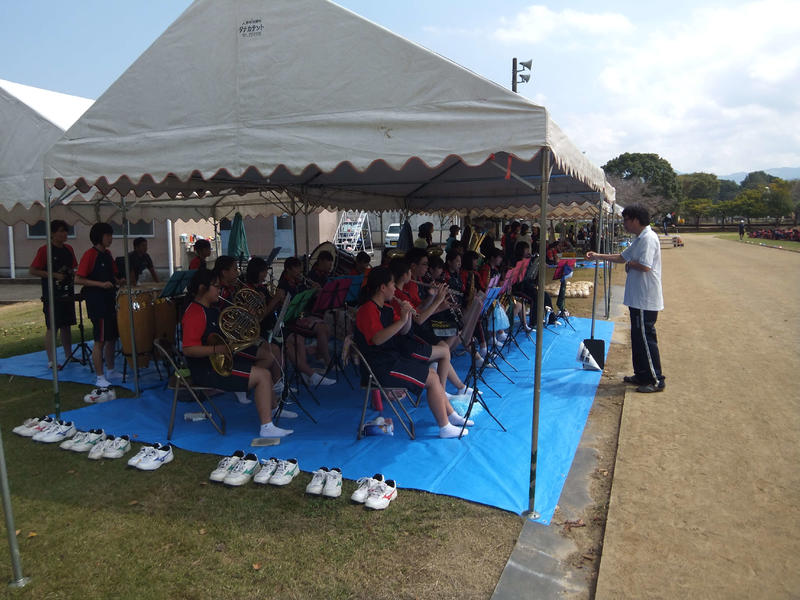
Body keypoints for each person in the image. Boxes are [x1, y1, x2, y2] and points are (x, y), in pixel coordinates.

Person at [354, 267, 473, 439]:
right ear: (382, 287)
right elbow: (377, 339)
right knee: (432, 379)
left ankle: (451, 415)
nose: (394, 288)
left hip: (392, 360)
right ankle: (444, 427)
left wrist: (407, 317)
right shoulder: (367, 310)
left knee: (432, 374)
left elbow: (404, 331)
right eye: (392, 284)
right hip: (380, 368)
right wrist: (402, 320)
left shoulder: (386, 308)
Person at [181, 269, 293, 437]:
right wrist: (217, 349)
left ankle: (270, 406)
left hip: (220, 359)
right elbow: (188, 349)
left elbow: (226, 334)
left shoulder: (210, 308)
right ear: (203, 288)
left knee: (267, 359)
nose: (219, 290)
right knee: (263, 375)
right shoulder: (195, 313)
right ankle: (266, 427)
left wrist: (247, 319)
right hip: (208, 369)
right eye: (216, 286)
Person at [587, 204, 665, 393]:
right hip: (637, 298)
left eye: (626, 220)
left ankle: (656, 380)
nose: (624, 224)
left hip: (645, 298)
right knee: (638, 338)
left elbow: (645, 265)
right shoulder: (640, 238)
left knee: (646, 339)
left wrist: (630, 263)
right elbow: (622, 257)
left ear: (636, 220)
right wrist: (598, 256)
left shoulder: (648, 238)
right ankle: (642, 374)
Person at [75, 222, 122, 398]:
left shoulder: (108, 254)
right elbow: (78, 279)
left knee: (112, 337)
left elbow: (113, 276)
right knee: (100, 340)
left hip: (110, 300)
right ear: (99, 237)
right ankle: (100, 377)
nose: (110, 238)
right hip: (97, 302)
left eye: (111, 235)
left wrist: (119, 281)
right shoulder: (90, 255)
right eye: (107, 235)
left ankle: (111, 369)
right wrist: (100, 284)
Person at [28, 219, 78, 369]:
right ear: (52, 233)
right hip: (52, 294)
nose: (64, 234)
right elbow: (33, 270)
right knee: (53, 326)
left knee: (67, 325)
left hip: (67, 292)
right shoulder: (45, 250)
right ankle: (51, 360)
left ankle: (69, 354)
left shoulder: (69, 249)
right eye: (61, 231)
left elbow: (73, 267)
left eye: (66, 231)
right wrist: (53, 275)